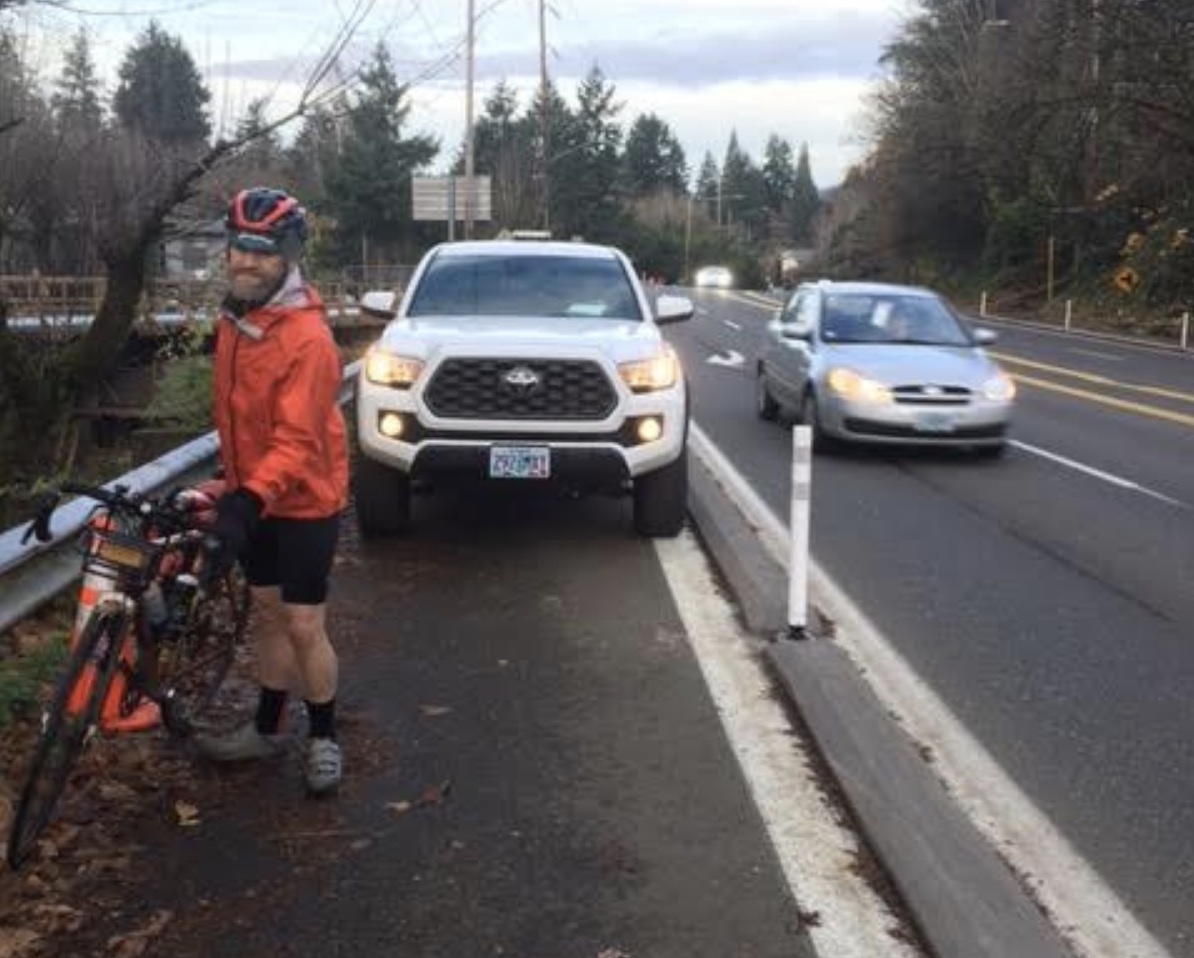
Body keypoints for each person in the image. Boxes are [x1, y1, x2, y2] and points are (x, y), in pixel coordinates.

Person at [194, 187, 349, 796]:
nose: (246, 262)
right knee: (267, 615)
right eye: (240, 248)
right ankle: (265, 728)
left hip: (305, 500)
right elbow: (237, 417)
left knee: (304, 622)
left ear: (288, 256)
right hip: (253, 494)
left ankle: (324, 737)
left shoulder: (307, 339)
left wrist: (247, 500)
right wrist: (233, 484)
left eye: (262, 252)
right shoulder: (237, 320)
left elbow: (296, 439)